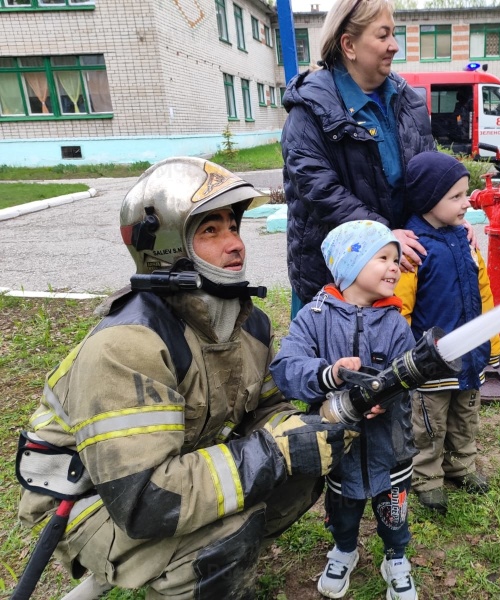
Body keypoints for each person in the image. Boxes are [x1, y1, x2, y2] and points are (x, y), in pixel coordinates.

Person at [15, 157, 357, 600]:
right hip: (87, 500)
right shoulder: (129, 345)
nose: (235, 245)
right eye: (210, 231)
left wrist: (319, 424)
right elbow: (146, 501)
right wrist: (275, 451)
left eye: (233, 227)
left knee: (305, 467)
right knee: (229, 531)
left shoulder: (243, 323)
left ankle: (213, 564)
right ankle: (200, 566)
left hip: (167, 467)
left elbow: (269, 409)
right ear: (167, 244)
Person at [270, 220, 420, 600]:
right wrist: (329, 375)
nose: (394, 266)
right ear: (349, 266)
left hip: (391, 444)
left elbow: (406, 379)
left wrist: (381, 397)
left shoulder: (396, 322)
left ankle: (395, 556)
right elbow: (286, 366)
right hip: (339, 446)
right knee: (343, 506)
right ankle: (344, 549)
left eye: (396, 259)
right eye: (383, 257)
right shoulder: (314, 317)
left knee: (394, 508)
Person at [281, 0, 435, 318]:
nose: (394, 46)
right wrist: (384, 235)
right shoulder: (309, 110)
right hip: (338, 273)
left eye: (394, 34)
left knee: (397, 353)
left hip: (399, 265)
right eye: (382, 36)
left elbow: (429, 171)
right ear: (349, 45)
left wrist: (450, 215)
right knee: (341, 362)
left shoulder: (408, 101)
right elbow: (320, 191)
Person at [393, 151, 500, 515]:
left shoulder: (465, 240)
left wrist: (493, 342)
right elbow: (400, 309)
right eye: (455, 197)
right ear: (427, 200)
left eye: (465, 194)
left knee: (465, 416)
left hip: (470, 357)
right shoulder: (414, 250)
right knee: (428, 422)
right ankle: (426, 476)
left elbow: (484, 293)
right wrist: (405, 357)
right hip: (431, 366)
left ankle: (461, 465)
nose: (466, 203)